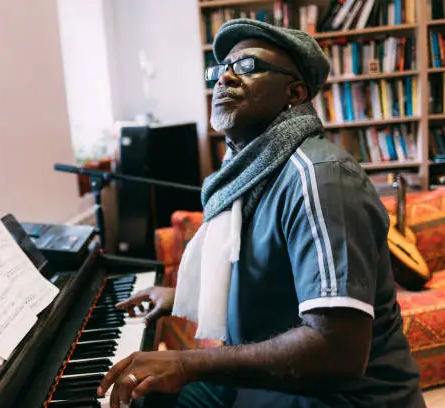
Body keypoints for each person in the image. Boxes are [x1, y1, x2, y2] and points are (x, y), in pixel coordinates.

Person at [97, 18, 426, 408]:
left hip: (340, 399)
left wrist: (187, 363)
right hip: (268, 386)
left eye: (248, 66)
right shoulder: (252, 173)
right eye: (220, 70)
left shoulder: (319, 178)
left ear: (295, 92)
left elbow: (336, 350)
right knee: (140, 396)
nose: (225, 79)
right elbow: (269, 278)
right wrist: (177, 296)